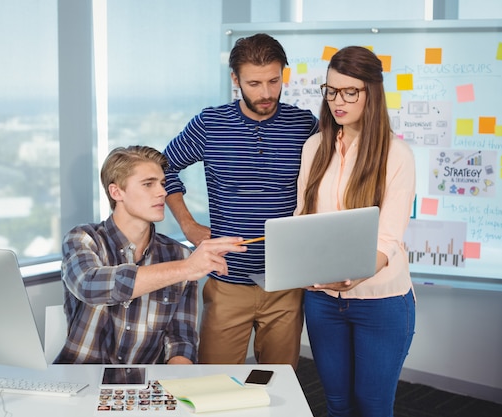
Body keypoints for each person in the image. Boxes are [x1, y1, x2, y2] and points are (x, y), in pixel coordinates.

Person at [162, 33, 319, 368]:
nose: (266, 93)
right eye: (254, 83)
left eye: (274, 81)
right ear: (235, 79)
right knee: (214, 384)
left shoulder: (303, 125)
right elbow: (163, 167)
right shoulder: (211, 123)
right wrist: (187, 224)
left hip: (285, 282)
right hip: (227, 281)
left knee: (279, 384)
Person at [295, 46, 416, 417]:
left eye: (350, 92)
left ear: (372, 93)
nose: (338, 101)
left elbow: (389, 237)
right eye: (331, 90)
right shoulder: (315, 146)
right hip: (322, 301)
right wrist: (301, 265)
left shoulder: (396, 154)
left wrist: (357, 272)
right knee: (337, 404)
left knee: (373, 406)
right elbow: (304, 217)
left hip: (381, 301)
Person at [55, 145, 246, 365]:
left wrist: (178, 386)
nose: (162, 192)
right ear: (116, 192)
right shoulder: (82, 238)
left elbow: (181, 339)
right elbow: (89, 285)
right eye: (148, 184)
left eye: (163, 184)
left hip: (146, 389)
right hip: (83, 383)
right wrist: (185, 268)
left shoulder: (179, 254)